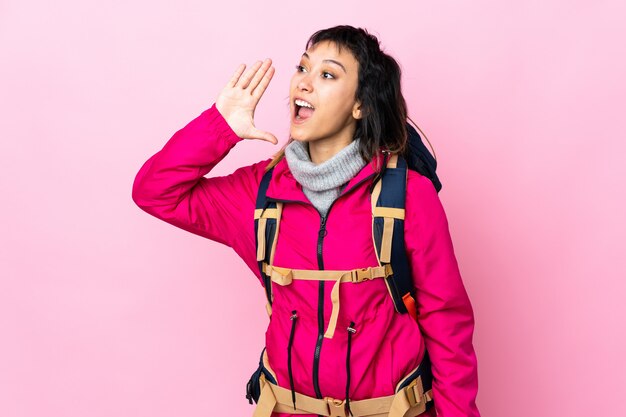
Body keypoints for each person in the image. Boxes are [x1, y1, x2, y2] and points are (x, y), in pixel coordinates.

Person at [132, 25, 480, 417]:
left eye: (327, 74)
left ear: (360, 105)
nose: (304, 84)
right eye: (302, 69)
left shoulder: (407, 197)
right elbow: (154, 191)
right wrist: (220, 126)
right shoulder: (258, 193)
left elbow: (448, 325)